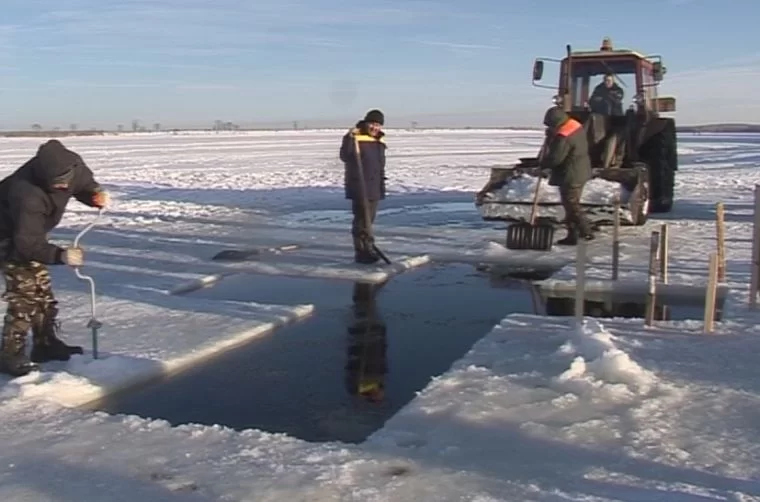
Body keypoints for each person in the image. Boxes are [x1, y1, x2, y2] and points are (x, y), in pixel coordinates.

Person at [0, 139, 110, 377]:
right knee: (24, 295)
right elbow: (26, 244)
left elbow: (84, 184)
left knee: (42, 291)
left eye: (64, 183)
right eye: (54, 185)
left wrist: (94, 195)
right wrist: (60, 255)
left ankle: (45, 345)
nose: (61, 188)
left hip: (29, 232)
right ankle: (10, 355)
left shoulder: (74, 165)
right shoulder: (26, 194)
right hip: (7, 235)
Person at [540, 107, 594, 245]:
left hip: (571, 173)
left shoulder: (563, 136)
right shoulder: (574, 126)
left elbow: (556, 158)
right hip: (579, 170)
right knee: (570, 203)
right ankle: (573, 235)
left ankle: (585, 231)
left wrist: (543, 164)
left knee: (571, 204)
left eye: (550, 124)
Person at [339, 109, 387, 264]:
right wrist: (349, 138)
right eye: (372, 124)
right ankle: (361, 252)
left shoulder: (379, 142)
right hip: (360, 187)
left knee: (369, 221)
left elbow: (379, 166)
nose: (375, 128)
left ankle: (368, 247)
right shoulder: (356, 138)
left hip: (374, 187)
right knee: (361, 220)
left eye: (378, 125)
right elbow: (345, 156)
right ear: (366, 123)